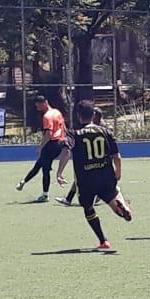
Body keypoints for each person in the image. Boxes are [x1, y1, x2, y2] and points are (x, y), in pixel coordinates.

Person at [55, 100, 132, 250]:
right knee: (112, 196)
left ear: (78, 115)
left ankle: (103, 241)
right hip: (105, 176)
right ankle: (122, 207)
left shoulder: (74, 134)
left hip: (86, 180)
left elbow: (66, 151)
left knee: (88, 208)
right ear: (93, 115)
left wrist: (59, 172)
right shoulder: (105, 132)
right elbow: (117, 156)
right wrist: (118, 172)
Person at [16, 95, 67, 202]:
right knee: (39, 164)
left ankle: (45, 195)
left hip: (52, 144)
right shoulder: (57, 112)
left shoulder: (47, 116)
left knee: (45, 169)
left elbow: (48, 134)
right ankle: (23, 182)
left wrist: (40, 147)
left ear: (44, 103)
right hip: (60, 143)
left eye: (38, 106)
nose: (37, 108)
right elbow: (64, 127)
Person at [56, 105, 104, 207]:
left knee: (87, 178)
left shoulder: (100, 129)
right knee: (79, 177)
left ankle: (102, 195)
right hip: (93, 160)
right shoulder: (95, 129)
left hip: (96, 160)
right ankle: (69, 199)